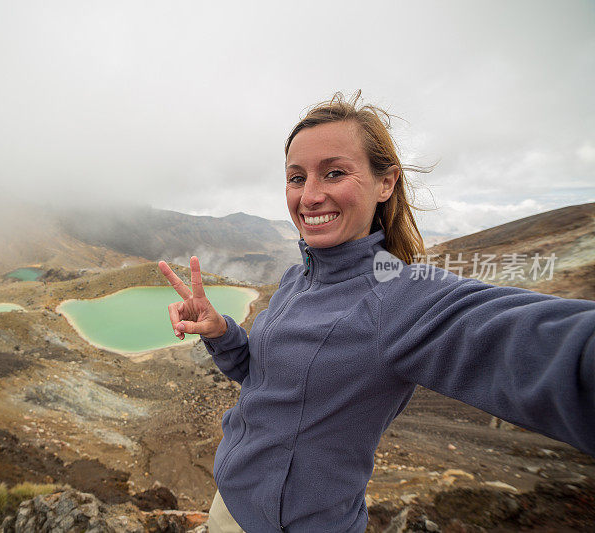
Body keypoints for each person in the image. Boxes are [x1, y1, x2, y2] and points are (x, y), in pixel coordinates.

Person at [158, 92, 595, 532]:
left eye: (334, 173)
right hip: (229, 503)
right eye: (295, 178)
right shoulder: (296, 279)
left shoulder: (400, 296)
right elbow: (261, 379)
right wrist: (219, 332)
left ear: (386, 183)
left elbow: (546, 349)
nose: (309, 196)